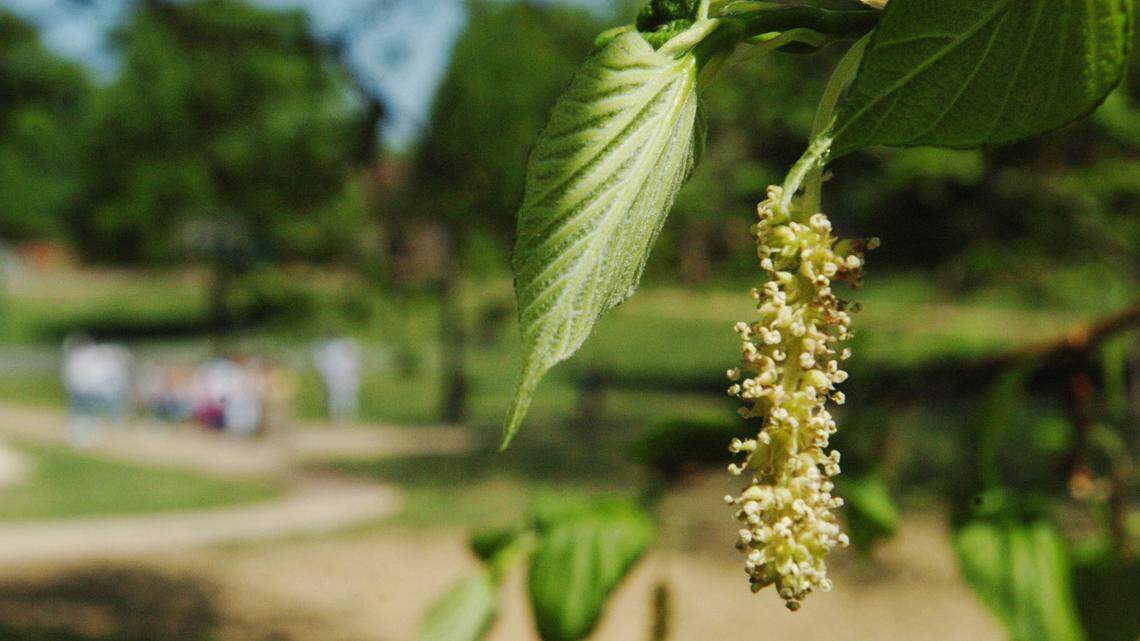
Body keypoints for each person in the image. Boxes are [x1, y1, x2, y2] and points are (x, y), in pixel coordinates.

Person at [312, 337, 361, 423]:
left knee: (348, 400)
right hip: (337, 383)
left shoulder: (352, 359)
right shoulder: (338, 359)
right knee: (335, 400)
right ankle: (336, 418)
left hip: (348, 384)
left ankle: (349, 418)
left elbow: (355, 371)